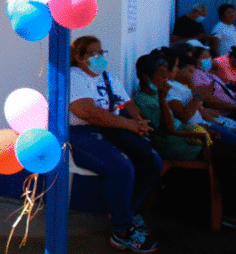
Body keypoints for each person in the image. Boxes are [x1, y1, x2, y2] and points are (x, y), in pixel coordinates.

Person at [68, 36, 161, 253]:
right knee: (121, 166)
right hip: (83, 134)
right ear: (79, 58)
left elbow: (128, 103)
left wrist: (138, 121)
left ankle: (129, 211)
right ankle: (122, 232)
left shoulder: (110, 77)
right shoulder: (75, 77)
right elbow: (87, 112)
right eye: (93, 53)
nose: (100, 57)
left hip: (114, 130)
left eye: (101, 52)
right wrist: (128, 125)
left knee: (151, 160)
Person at [134, 52, 236, 229]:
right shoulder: (146, 99)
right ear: (146, 76)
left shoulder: (158, 93)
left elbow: (180, 122)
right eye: (161, 75)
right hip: (176, 144)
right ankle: (228, 213)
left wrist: (203, 129)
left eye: (167, 73)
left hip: (189, 137)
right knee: (231, 158)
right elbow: (168, 128)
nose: (166, 79)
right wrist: (163, 98)